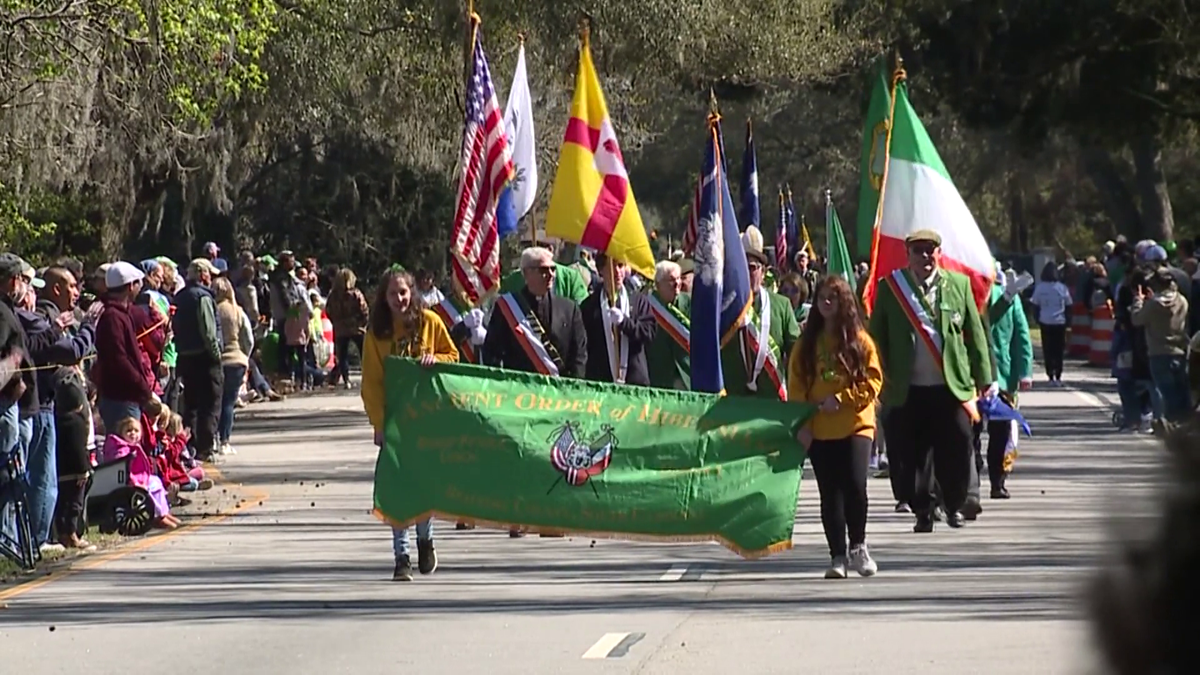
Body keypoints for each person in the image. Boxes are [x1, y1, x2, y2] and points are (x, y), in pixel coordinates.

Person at [869, 230, 992, 532]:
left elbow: (976, 335)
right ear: (908, 255)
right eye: (918, 251)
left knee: (959, 444)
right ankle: (922, 509)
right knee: (908, 454)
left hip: (950, 386)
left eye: (930, 250)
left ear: (939, 253)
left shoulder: (958, 285)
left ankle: (953, 505)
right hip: (906, 388)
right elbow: (876, 339)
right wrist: (875, 380)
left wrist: (984, 377)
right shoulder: (891, 288)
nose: (924, 257)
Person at [360, 267, 457, 581]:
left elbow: (453, 356)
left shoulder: (430, 322)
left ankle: (425, 539)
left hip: (427, 419)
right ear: (383, 298)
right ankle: (401, 557)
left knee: (423, 484)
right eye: (392, 294)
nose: (399, 299)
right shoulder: (376, 334)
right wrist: (379, 424)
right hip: (395, 421)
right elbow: (372, 383)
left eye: (403, 292)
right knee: (397, 489)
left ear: (411, 293)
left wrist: (436, 360)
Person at [787, 276, 883, 579]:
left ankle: (859, 546)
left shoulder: (861, 341)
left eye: (833, 298)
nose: (826, 303)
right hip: (820, 429)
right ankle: (837, 556)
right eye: (822, 298)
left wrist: (842, 399)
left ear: (845, 302)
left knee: (855, 485)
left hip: (856, 424)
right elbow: (797, 385)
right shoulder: (807, 344)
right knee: (830, 494)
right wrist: (801, 423)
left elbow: (872, 381)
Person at [967, 264, 1033, 511]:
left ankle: (997, 481)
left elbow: (1021, 336)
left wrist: (1024, 371)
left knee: (1001, 432)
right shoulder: (970, 295)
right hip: (974, 377)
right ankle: (976, 479)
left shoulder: (1009, 297)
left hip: (1002, 378)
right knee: (973, 433)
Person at [721, 226, 801, 399]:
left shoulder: (782, 306)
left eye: (752, 268)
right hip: (731, 402)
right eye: (741, 268)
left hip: (771, 401)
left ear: (763, 272)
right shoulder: (723, 307)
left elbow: (797, 351)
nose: (746, 274)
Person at [484, 247, 587, 379]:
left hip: (560, 393)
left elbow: (579, 355)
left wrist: (573, 388)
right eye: (543, 270)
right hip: (521, 392)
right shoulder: (507, 307)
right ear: (526, 273)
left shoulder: (569, 309)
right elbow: (492, 353)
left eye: (553, 269)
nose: (551, 274)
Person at [93, 262, 160, 433]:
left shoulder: (121, 314)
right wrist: (144, 390)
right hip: (121, 398)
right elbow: (119, 360)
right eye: (138, 283)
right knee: (125, 449)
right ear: (130, 286)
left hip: (126, 396)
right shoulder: (113, 317)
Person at [172, 259, 224, 460]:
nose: (211, 278)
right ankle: (205, 447)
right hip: (205, 358)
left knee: (190, 405)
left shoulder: (179, 297)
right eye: (209, 274)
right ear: (203, 275)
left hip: (185, 356)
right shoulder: (202, 297)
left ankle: (189, 446)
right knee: (210, 403)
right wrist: (216, 354)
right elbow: (209, 332)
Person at [580, 253, 656, 386]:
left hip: (635, 381)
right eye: (611, 266)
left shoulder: (638, 300)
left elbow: (648, 333)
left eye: (620, 265)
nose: (617, 271)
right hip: (601, 384)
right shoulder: (589, 306)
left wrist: (624, 323)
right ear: (600, 270)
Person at [1132, 267, 1192, 426]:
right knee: (1182, 394)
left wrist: (1138, 300)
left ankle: (1173, 429)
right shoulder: (1182, 301)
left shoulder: (1153, 304)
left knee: (1167, 394)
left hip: (1159, 353)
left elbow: (1137, 319)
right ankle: (1186, 426)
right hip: (1179, 351)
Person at [101, 417, 180, 530]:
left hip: (139, 477)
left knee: (156, 482)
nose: (133, 433)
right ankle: (157, 516)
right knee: (148, 490)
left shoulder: (133, 446)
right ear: (121, 433)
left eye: (136, 431)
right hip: (128, 480)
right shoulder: (121, 447)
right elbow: (121, 463)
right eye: (128, 431)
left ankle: (164, 512)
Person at [213, 277, 251, 455]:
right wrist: (245, 355)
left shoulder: (213, 310)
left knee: (215, 402)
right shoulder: (237, 311)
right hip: (236, 359)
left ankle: (212, 438)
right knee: (229, 402)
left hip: (218, 359)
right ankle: (225, 441)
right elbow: (248, 339)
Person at [646, 260, 691, 390]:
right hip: (660, 377)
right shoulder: (650, 305)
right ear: (658, 284)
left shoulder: (689, 302)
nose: (677, 283)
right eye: (671, 280)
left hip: (686, 375)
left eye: (678, 278)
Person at [325, 268, 370, 388]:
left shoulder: (333, 295)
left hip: (340, 328)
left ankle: (346, 380)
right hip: (356, 327)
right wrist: (363, 323)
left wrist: (336, 321)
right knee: (364, 353)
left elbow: (328, 310)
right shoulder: (355, 293)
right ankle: (367, 376)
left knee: (342, 355)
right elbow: (364, 309)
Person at [1030, 262, 1072, 386]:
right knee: (1059, 350)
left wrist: (1037, 319)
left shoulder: (1040, 288)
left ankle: (1050, 375)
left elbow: (1035, 304)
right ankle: (1058, 375)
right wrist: (1068, 321)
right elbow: (1069, 305)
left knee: (1047, 350)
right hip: (1060, 322)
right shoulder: (1062, 288)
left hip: (1045, 321)